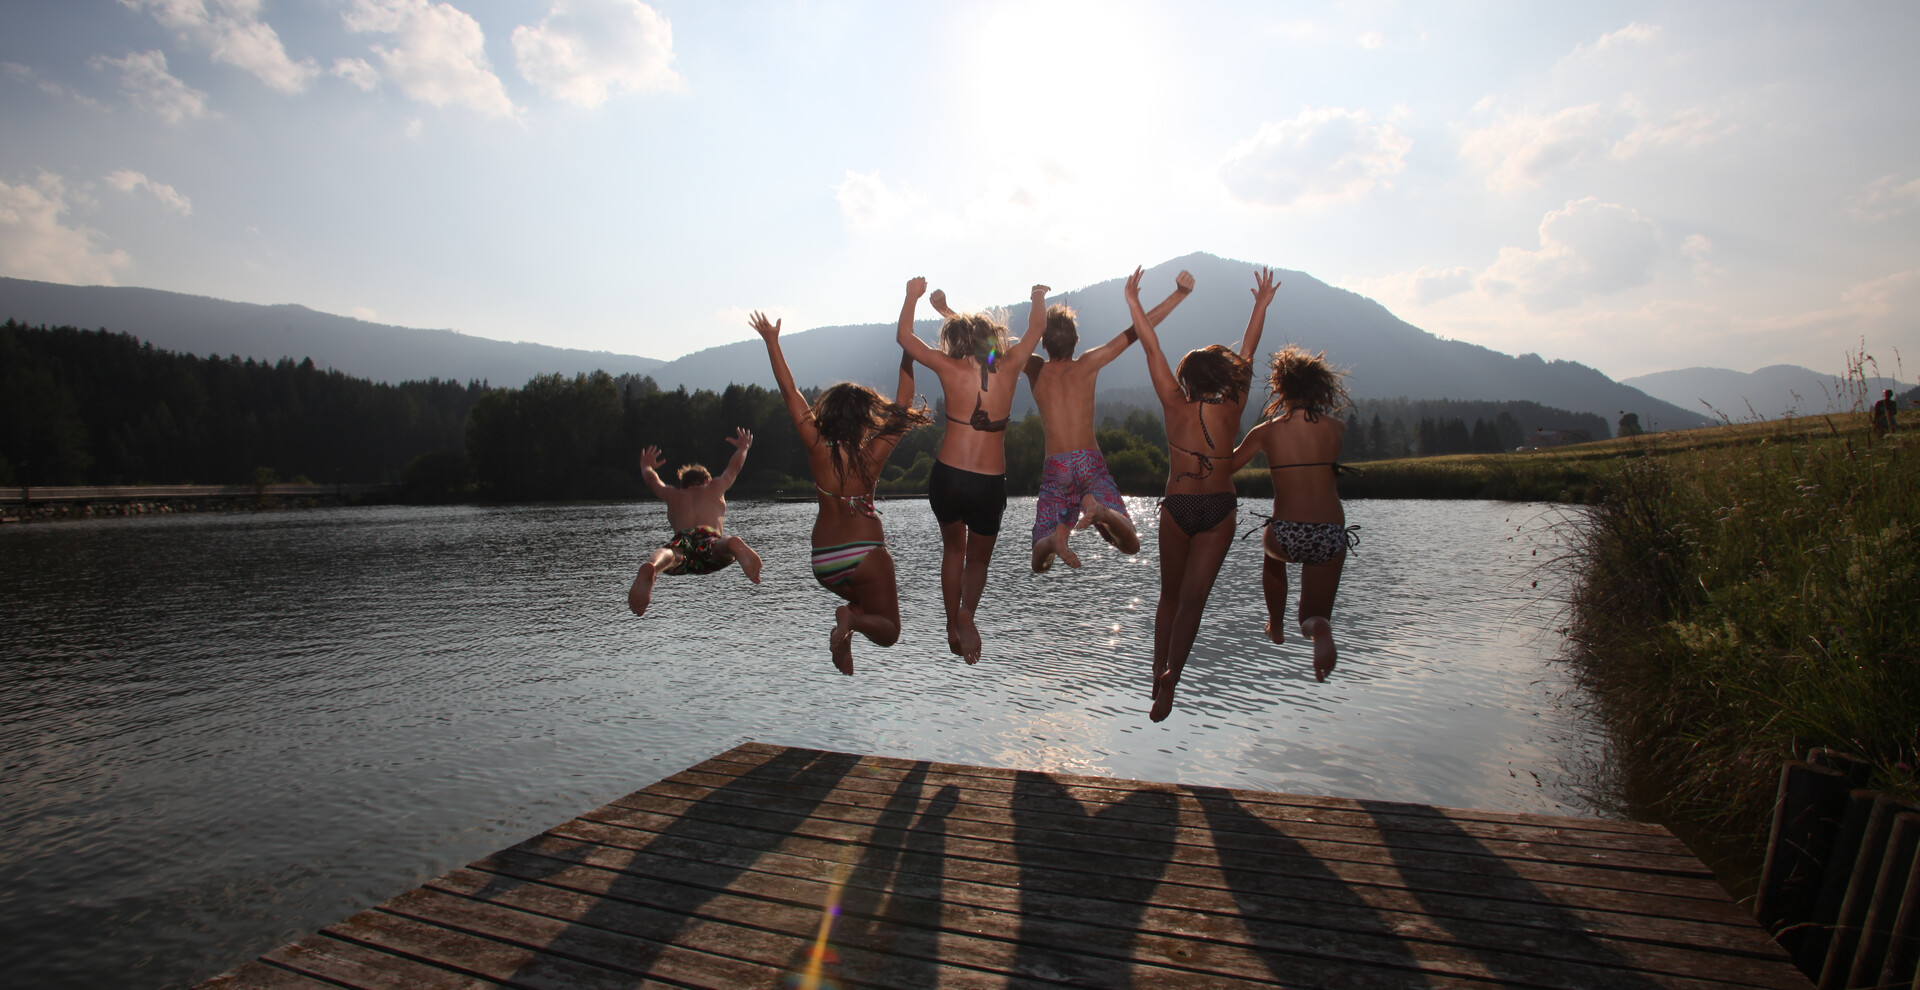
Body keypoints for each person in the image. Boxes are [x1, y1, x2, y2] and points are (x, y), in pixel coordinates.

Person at [930, 274, 1195, 571]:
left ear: (1041, 344)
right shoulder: (1090, 363)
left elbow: (982, 346)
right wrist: (1179, 294)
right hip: (1089, 463)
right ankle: (1104, 513)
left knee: (1038, 564)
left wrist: (945, 310)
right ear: (1077, 340)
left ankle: (1054, 542)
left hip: (1057, 468)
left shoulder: (1034, 368)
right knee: (1131, 544)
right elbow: (1137, 331)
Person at [1124, 264, 1278, 722]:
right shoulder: (1233, 403)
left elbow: (1150, 345)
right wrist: (1260, 304)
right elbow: (1247, 350)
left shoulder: (1173, 402)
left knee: (1168, 595)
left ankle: (1156, 672)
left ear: (1187, 378)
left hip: (1178, 506)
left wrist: (1134, 301)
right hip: (1218, 506)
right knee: (1194, 600)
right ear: (1222, 376)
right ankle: (1173, 675)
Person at [751, 310, 929, 674]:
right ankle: (850, 622)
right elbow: (905, 399)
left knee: (863, 602)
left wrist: (772, 342)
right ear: (865, 418)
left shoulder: (815, 445)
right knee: (889, 630)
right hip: (863, 552)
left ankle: (847, 631)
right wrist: (908, 351)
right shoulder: (872, 455)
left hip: (824, 562)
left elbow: (790, 392)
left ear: (829, 415)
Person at [898, 277, 1050, 664]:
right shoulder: (1011, 364)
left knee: (953, 551)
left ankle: (952, 623)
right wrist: (1036, 295)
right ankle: (967, 614)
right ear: (994, 342)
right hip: (986, 483)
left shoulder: (948, 366)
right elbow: (1036, 328)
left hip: (948, 476)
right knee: (977, 560)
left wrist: (912, 297)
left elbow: (905, 337)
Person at [1231, 345, 1357, 682]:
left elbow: (1227, 467)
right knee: (1312, 617)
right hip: (1330, 534)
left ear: (1280, 388)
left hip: (1287, 534)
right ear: (1320, 386)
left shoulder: (1266, 432)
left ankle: (1275, 622)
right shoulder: (1335, 429)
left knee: (1271, 551)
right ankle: (1321, 632)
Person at [627, 429, 764, 616]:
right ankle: (733, 544)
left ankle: (653, 565)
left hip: (683, 538)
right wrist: (743, 447)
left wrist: (646, 466)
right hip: (708, 536)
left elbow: (653, 482)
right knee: (719, 547)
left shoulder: (673, 495)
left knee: (672, 555)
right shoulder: (715, 488)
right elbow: (733, 468)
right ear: (707, 479)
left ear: (683, 483)